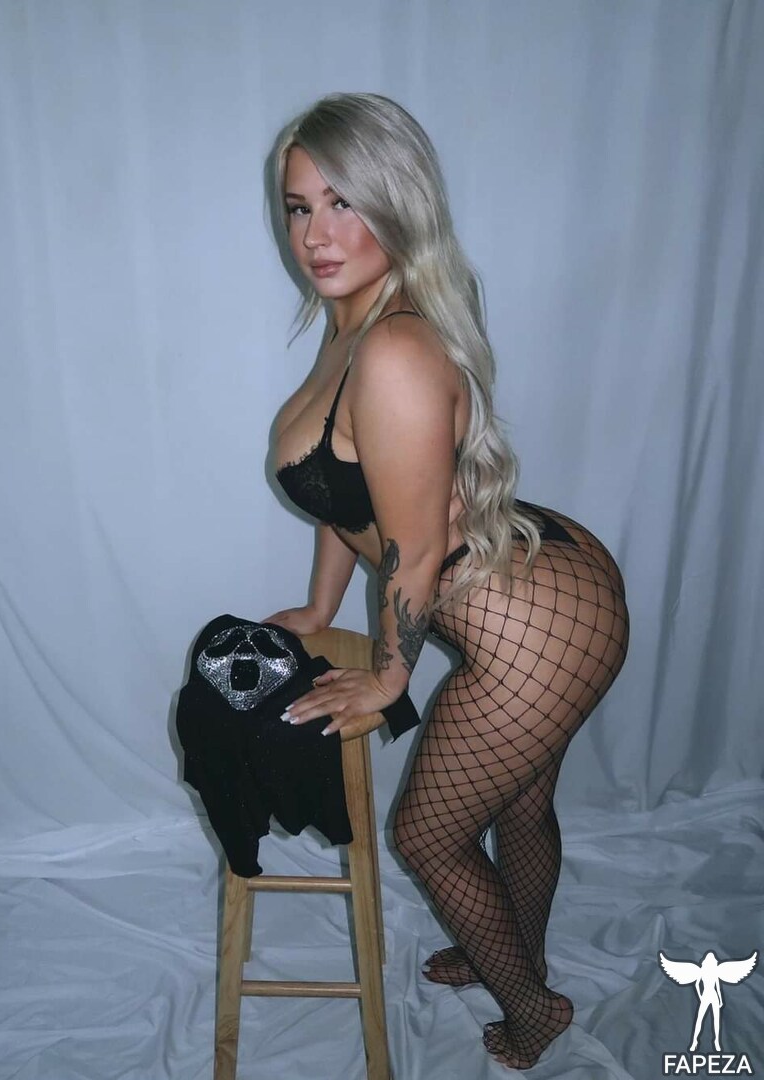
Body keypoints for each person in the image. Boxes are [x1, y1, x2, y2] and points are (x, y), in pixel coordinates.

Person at [263, 92, 629, 1070]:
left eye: (344, 202)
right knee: (521, 807)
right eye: (299, 207)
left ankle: (534, 1008)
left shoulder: (393, 348)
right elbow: (348, 494)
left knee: (427, 837)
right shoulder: (354, 322)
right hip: (550, 584)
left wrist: (390, 680)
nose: (317, 234)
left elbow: (416, 551)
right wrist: (322, 605)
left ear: (397, 201)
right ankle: (513, 951)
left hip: (534, 630)